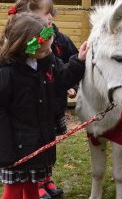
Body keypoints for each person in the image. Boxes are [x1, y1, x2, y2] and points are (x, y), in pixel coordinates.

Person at [0, 13, 87, 199]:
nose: (49, 53)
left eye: (49, 49)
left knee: (32, 185)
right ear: (24, 48)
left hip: (37, 141)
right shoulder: (7, 73)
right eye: (43, 51)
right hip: (16, 146)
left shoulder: (45, 61)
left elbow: (63, 77)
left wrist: (79, 60)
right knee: (14, 189)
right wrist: (5, 151)